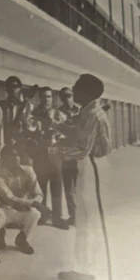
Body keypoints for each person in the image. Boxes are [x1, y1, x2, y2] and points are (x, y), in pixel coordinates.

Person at [50, 73, 112, 280]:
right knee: (84, 221)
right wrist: (56, 125)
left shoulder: (94, 114)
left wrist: (57, 151)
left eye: (76, 87)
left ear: (87, 92)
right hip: (87, 165)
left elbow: (82, 147)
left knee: (95, 222)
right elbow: (77, 131)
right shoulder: (87, 111)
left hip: (95, 165)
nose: (73, 90)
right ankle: (83, 268)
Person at [28, 86, 68, 230]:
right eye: (44, 97)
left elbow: (65, 132)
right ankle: (43, 215)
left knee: (57, 186)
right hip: (40, 153)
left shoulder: (58, 114)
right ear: (39, 98)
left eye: (49, 96)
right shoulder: (34, 114)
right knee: (41, 186)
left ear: (53, 98)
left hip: (55, 152)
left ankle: (57, 218)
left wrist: (54, 126)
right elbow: (31, 130)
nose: (47, 99)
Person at [0, 145, 43, 254]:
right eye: (11, 155)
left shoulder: (28, 170)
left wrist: (35, 203)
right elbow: (9, 197)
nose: (16, 158)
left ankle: (23, 239)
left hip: (23, 209)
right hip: (4, 209)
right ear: (4, 159)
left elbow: (38, 193)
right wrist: (31, 203)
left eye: (17, 155)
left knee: (35, 214)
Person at [58, 85, 81, 226]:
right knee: (68, 186)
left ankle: (82, 216)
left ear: (73, 96)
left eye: (69, 95)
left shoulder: (81, 111)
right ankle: (73, 216)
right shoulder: (58, 113)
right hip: (67, 153)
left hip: (80, 153)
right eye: (64, 96)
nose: (67, 99)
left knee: (81, 186)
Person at [0, 75, 32, 153]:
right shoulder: (2, 106)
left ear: (20, 89)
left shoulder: (27, 106)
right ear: (6, 89)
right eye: (9, 86)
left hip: (22, 144)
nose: (12, 89)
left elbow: (29, 126)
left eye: (15, 86)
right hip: (6, 143)